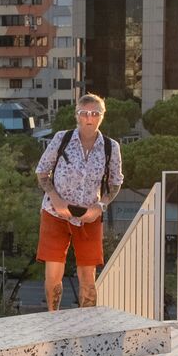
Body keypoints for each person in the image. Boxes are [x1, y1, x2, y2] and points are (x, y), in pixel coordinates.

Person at [34, 93, 125, 310]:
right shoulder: (61, 139)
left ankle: (87, 327)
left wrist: (99, 206)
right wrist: (56, 200)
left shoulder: (110, 148)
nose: (89, 118)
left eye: (95, 113)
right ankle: (53, 320)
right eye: (84, 113)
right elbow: (42, 172)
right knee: (54, 276)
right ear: (77, 116)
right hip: (55, 213)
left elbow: (116, 182)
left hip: (89, 216)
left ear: (102, 116)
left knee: (88, 278)